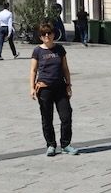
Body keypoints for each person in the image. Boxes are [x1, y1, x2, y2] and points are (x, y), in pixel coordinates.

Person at [29, 22, 78, 157]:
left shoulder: (60, 49)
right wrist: (32, 88)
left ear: (53, 34)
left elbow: (65, 69)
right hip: (44, 89)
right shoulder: (37, 51)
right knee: (47, 118)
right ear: (40, 37)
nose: (47, 36)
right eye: (44, 34)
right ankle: (51, 145)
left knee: (66, 116)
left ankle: (66, 144)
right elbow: (33, 71)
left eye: (49, 33)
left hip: (60, 88)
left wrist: (68, 84)